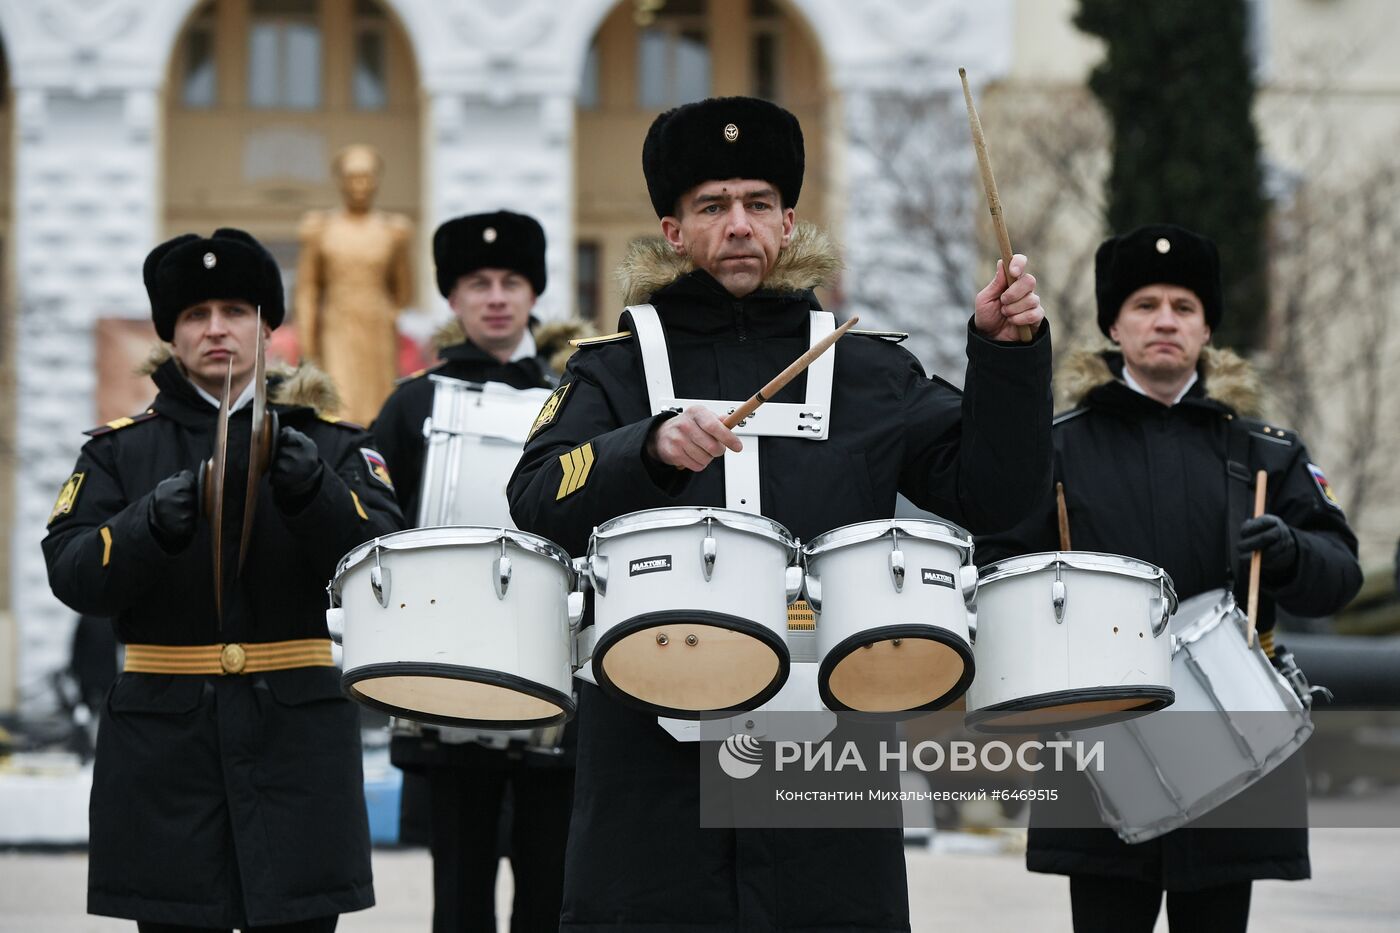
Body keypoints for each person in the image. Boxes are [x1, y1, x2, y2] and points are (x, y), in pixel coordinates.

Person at [507, 95, 1053, 932]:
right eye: (712, 206)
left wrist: (1006, 359)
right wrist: (644, 448)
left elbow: (999, 498)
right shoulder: (613, 369)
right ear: (674, 229)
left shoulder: (870, 370)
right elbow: (536, 499)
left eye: (758, 204)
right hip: (648, 756)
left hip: (827, 750)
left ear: (789, 222)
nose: (738, 225)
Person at [979, 223, 1363, 932]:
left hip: (1233, 750)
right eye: (1145, 304)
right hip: (1098, 749)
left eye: (1184, 306)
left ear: (1206, 327)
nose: (1165, 320)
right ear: (1113, 326)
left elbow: (1340, 575)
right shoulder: (1056, 449)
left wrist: (1290, 554)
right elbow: (996, 574)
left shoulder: (1266, 453)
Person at [43, 228, 405, 932]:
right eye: (195, 314)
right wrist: (150, 522)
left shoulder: (335, 444)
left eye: (236, 310)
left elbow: (387, 564)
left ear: (269, 326)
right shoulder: (121, 451)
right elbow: (72, 569)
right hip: (165, 757)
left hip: (295, 753)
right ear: (170, 334)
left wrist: (312, 490)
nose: (217, 329)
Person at [372, 210, 585, 933]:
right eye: (477, 283)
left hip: (557, 681)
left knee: (550, 891)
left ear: (534, 294)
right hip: (443, 683)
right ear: (453, 299)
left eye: (512, 281)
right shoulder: (411, 404)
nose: (496, 297)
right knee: (458, 896)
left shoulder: (579, 397)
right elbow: (374, 528)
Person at [295, 143, 415, 425]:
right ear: (340, 181)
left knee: (380, 400)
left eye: (366, 177)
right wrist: (308, 343)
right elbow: (308, 289)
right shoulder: (321, 229)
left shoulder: (392, 231)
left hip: (377, 326)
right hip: (337, 324)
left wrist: (390, 314)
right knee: (340, 398)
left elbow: (403, 288)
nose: (360, 185)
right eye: (352, 177)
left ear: (376, 181)